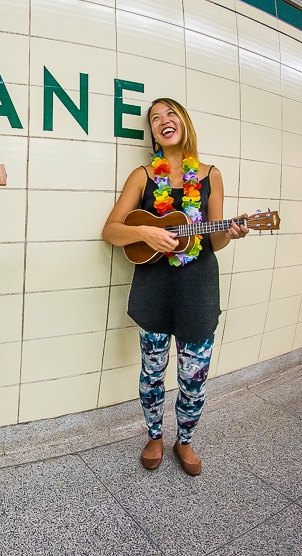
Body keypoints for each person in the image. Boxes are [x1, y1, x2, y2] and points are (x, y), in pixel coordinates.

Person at [102, 98, 248, 476]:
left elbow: (215, 241)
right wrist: (145, 232)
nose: (164, 121)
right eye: (155, 119)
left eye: (170, 114)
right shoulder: (143, 177)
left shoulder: (211, 175)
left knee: (193, 377)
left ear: (184, 121)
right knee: (152, 372)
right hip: (154, 291)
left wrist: (230, 232)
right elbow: (111, 231)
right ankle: (153, 434)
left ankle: (184, 440)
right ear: (152, 133)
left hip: (198, 292)